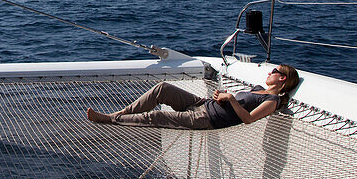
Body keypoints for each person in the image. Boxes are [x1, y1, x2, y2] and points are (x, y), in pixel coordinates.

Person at [86, 64, 300, 129]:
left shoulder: (271, 101)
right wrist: (220, 96)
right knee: (162, 88)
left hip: (206, 119)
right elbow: (231, 101)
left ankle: (108, 119)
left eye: (275, 71)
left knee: (156, 117)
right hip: (203, 104)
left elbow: (249, 118)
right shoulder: (256, 88)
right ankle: (119, 114)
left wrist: (231, 99)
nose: (270, 72)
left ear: (282, 79)